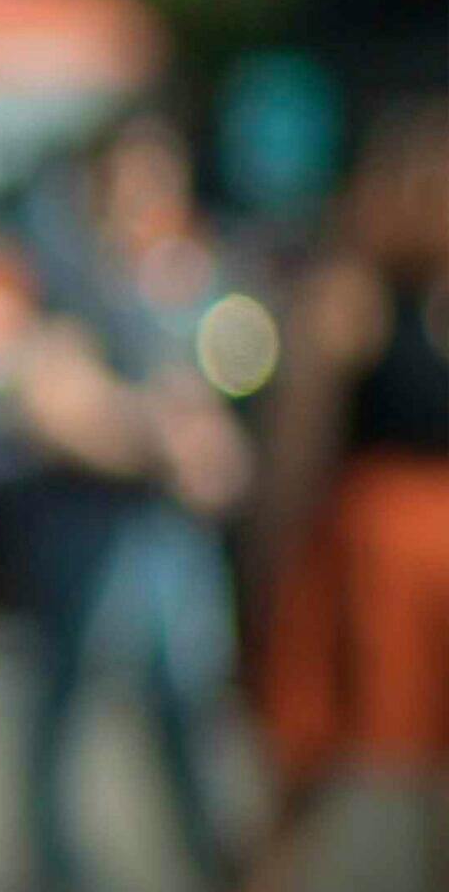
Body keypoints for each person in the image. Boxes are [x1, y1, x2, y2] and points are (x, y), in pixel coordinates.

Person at [0, 112, 253, 892]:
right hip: (84, 531)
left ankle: (214, 864)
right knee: (63, 719)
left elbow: (231, 410)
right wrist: (150, 431)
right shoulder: (69, 275)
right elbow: (49, 403)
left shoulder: (198, 277)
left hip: (170, 541)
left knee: (184, 720)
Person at [244, 100, 449, 891]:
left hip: (427, 561)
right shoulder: (352, 300)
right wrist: (272, 561)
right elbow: (297, 450)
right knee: (309, 769)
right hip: (365, 554)